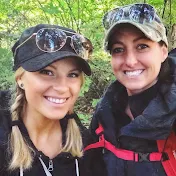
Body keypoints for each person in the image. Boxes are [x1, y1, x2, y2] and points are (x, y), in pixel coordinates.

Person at [84, 3, 176, 176]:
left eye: (142, 46)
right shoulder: (104, 115)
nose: (130, 61)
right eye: (119, 49)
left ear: (163, 52)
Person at [0, 24, 93, 176]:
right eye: (47, 72)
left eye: (73, 74)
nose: (62, 87)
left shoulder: (85, 142)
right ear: (20, 79)